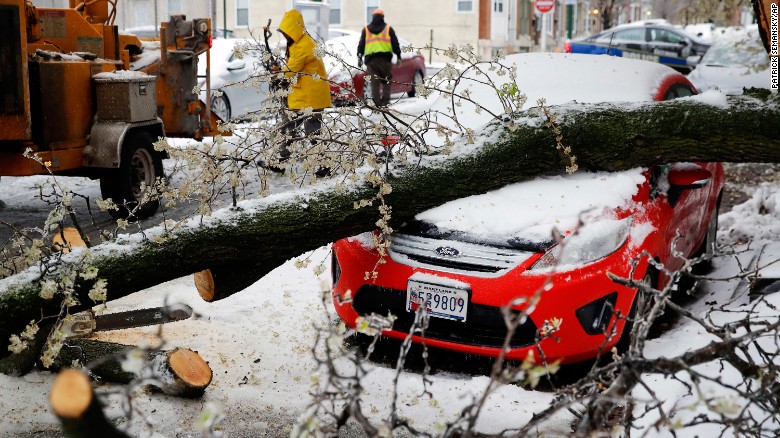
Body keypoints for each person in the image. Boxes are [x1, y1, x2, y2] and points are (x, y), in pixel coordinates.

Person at [270, 9, 332, 176]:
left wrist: (276, 75)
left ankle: (324, 165)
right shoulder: (299, 42)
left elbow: (291, 71)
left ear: (294, 30)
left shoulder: (304, 46)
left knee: (311, 130)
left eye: (286, 32)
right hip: (303, 93)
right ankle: (282, 162)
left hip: (311, 95)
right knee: (290, 126)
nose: (285, 36)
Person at [357, 9, 402, 107]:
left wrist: (359, 57)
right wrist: (398, 56)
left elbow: (361, 45)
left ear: (373, 17)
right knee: (387, 80)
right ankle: (385, 102)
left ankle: (377, 104)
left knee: (374, 82)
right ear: (383, 17)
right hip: (385, 60)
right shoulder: (388, 28)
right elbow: (395, 43)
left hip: (371, 61)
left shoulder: (366, 29)